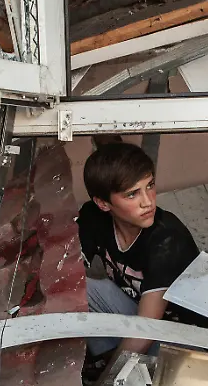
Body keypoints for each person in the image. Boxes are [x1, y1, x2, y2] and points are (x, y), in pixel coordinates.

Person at [76, 141, 200, 358]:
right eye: (132, 194)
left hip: (184, 337)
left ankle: (113, 372)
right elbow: (65, 270)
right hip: (136, 312)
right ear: (103, 204)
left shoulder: (168, 239)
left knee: (139, 357)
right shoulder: (94, 217)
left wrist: (110, 376)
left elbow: (146, 331)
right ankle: (103, 359)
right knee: (80, 289)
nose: (148, 202)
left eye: (150, 186)